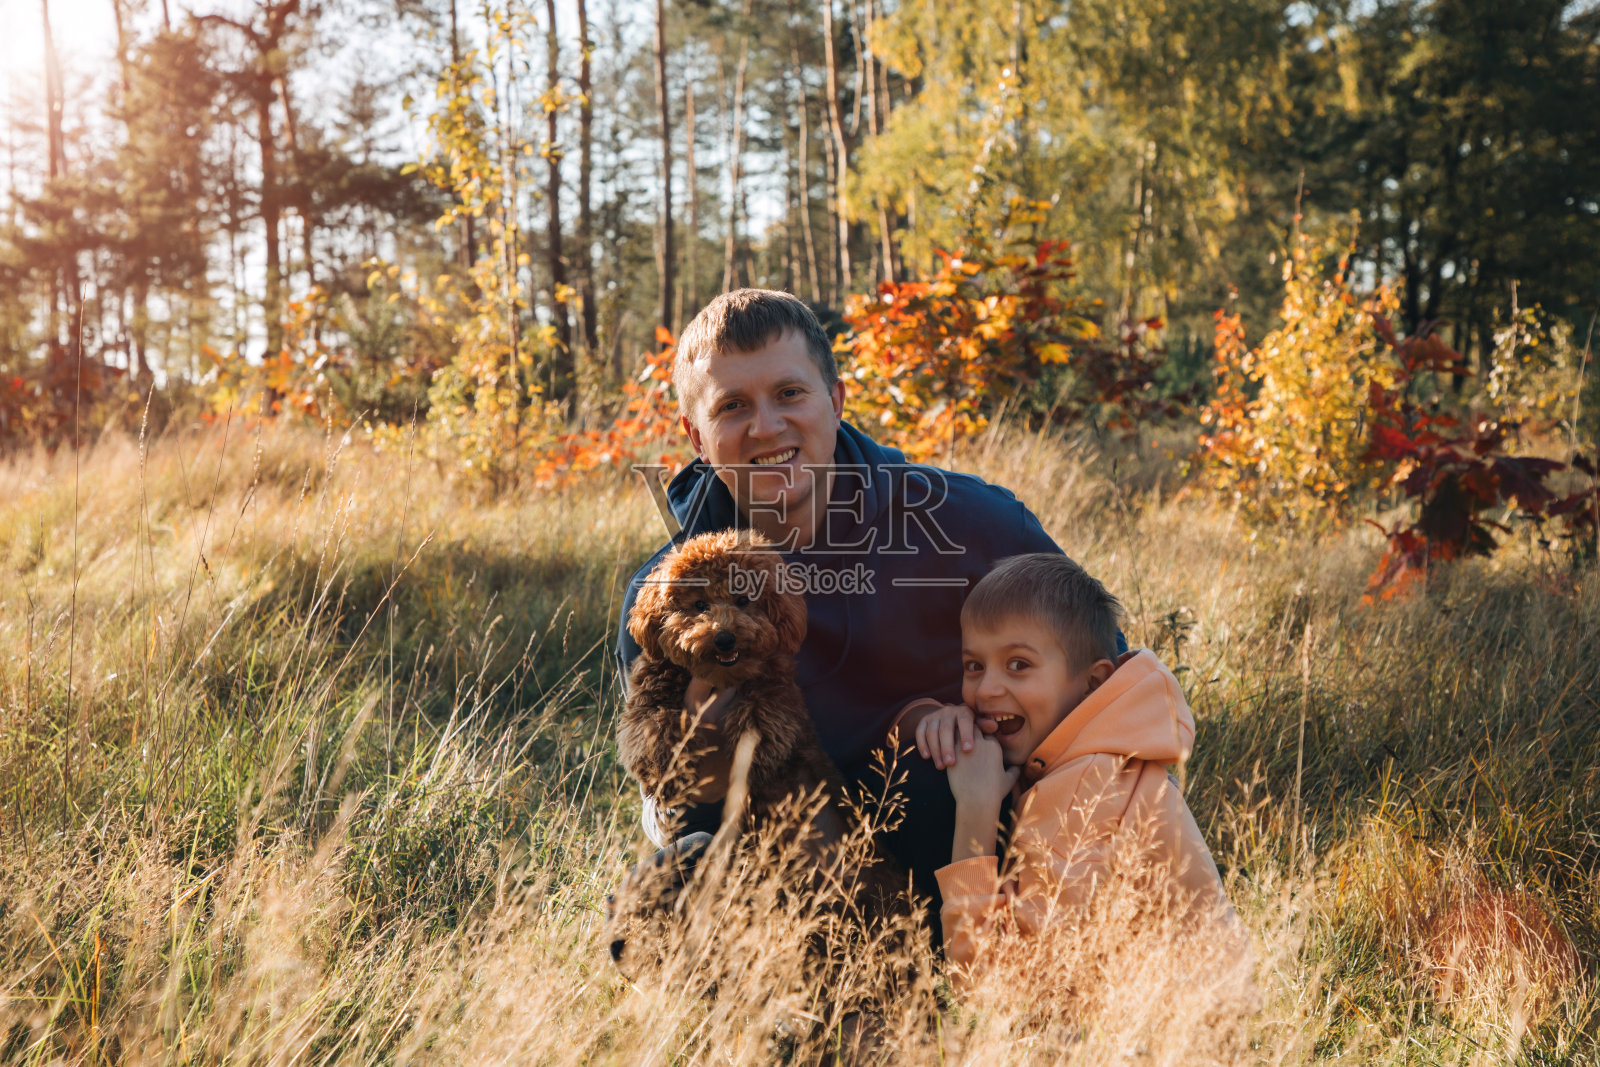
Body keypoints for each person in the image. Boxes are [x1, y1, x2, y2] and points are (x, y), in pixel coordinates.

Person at [614, 288, 1123, 924]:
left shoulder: (966, 524)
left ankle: (985, 973)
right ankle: (787, 1003)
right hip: (786, 875)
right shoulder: (667, 601)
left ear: (835, 400)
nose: (767, 426)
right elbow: (678, 795)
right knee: (669, 889)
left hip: (963, 843)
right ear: (696, 435)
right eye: (733, 406)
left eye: (790, 394)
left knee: (945, 770)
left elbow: (1107, 684)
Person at [914, 553, 1236, 979]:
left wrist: (975, 810)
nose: (986, 689)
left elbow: (990, 992)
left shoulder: (1087, 789)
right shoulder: (1108, 760)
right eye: (974, 666)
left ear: (1093, 683)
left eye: (1018, 665)